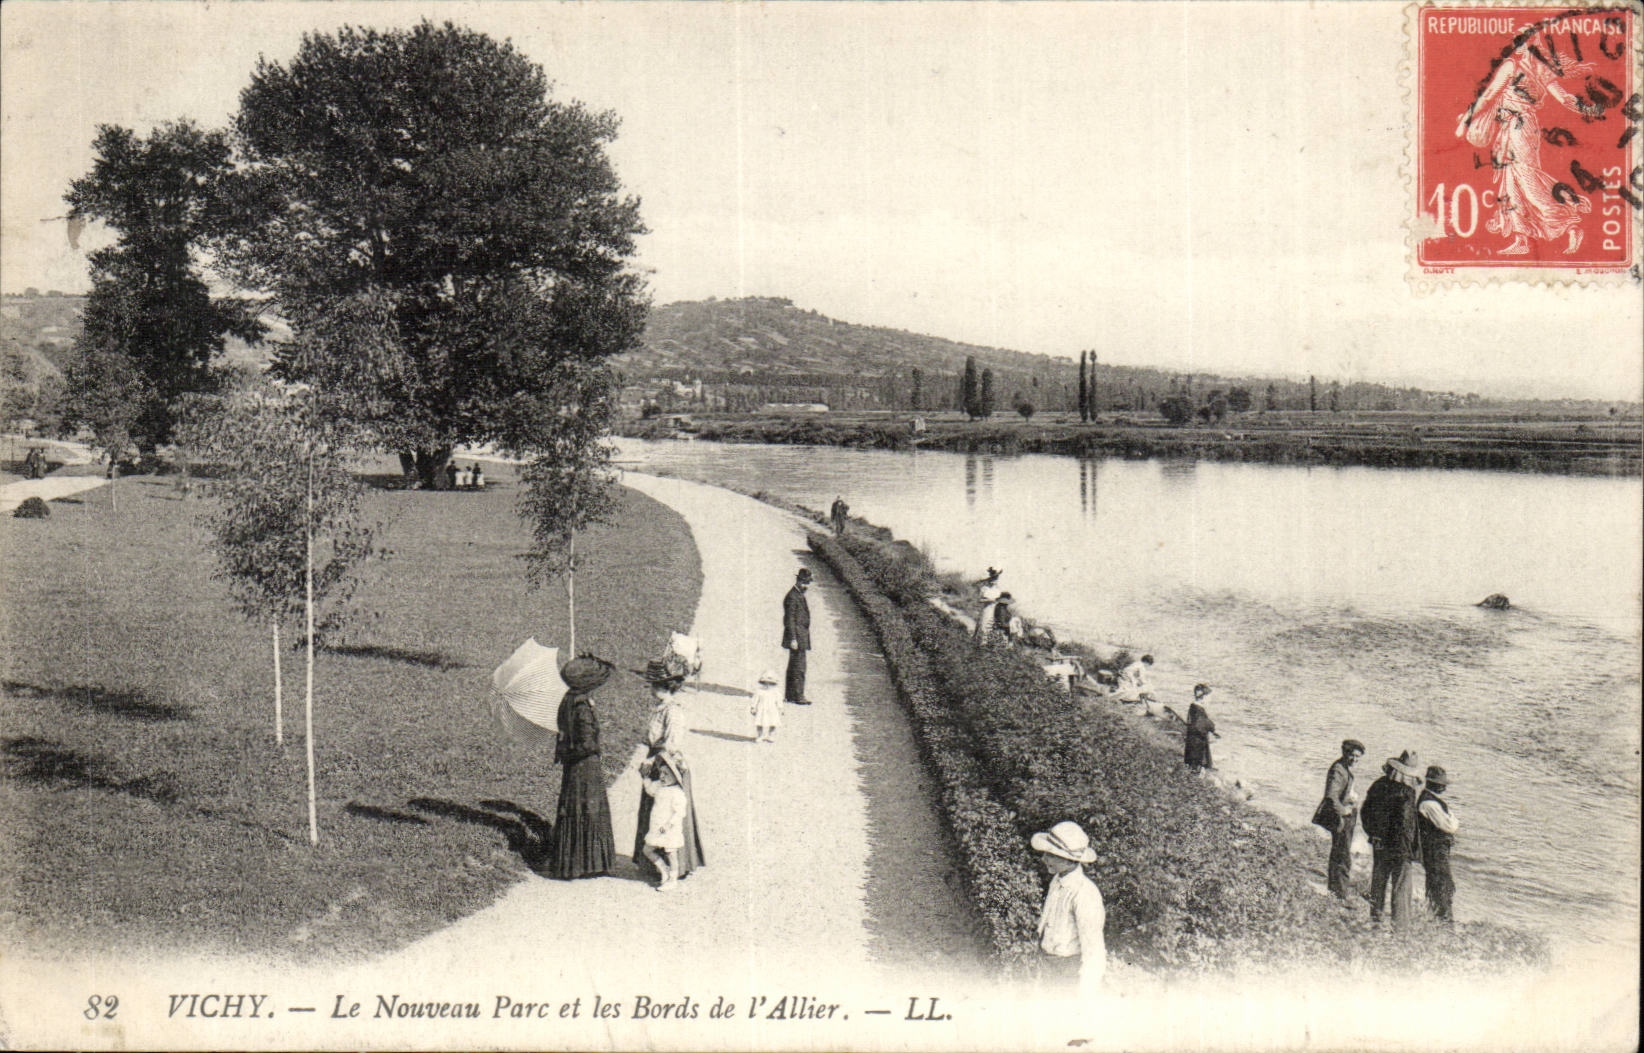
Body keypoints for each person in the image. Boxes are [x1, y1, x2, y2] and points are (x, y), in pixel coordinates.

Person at [1456, 48, 1595, 255]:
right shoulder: (1542, 71)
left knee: (1525, 179)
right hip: (1525, 127)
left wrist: (1466, 119)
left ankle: (1568, 222)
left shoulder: (1511, 66)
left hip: (1516, 128)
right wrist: (1589, 109)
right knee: (1512, 181)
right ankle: (1522, 239)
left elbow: (1488, 96)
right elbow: (1565, 98)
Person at [546, 655, 618, 880]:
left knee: (574, 808)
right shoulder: (582, 707)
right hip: (586, 766)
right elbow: (586, 743)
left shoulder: (567, 700)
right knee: (588, 808)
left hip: (572, 766)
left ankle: (572, 861)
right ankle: (589, 862)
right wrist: (595, 744)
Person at [634, 657, 705, 881]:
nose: (651, 689)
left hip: (666, 765)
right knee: (653, 812)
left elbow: (671, 744)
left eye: (654, 685)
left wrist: (651, 760)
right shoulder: (661, 708)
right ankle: (653, 863)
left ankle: (675, 865)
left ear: (663, 686)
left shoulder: (673, 711)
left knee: (666, 812)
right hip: (656, 760)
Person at [1031, 820, 1106, 999]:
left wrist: (1086, 993)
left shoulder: (1084, 893)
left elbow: (1093, 950)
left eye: (1050, 855)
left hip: (1068, 972)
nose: (1044, 859)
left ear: (1069, 859)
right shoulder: (1057, 881)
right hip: (1047, 965)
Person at [1359, 749, 1424, 930]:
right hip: (1400, 847)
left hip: (1380, 844)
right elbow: (1405, 824)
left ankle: (1375, 921)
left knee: (1378, 883)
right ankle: (1400, 929)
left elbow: (1365, 812)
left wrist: (1374, 835)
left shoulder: (1378, 785)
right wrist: (1409, 849)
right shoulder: (1407, 792)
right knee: (1401, 888)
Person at [1320, 739, 1366, 900]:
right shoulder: (1338, 770)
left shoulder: (1343, 768)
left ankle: (1335, 890)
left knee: (1340, 852)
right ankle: (1339, 894)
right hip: (1341, 818)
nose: (1354, 759)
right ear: (1344, 752)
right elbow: (1331, 796)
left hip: (1345, 816)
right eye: (1352, 755)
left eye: (1357, 757)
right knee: (1342, 855)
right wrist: (1343, 810)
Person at [639, 753, 689, 891]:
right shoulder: (659, 786)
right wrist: (645, 777)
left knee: (671, 853)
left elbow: (679, 813)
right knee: (647, 850)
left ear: (675, 776)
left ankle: (673, 879)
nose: (662, 777)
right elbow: (649, 790)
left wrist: (668, 826)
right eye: (661, 773)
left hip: (669, 828)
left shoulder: (677, 793)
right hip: (656, 826)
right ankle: (664, 870)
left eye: (666, 774)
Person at [1418, 765, 1459, 924]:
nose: (1444, 787)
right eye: (1441, 783)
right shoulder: (1429, 803)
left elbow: (1450, 823)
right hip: (1434, 850)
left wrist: (1451, 820)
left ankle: (1438, 917)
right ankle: (1443, 919)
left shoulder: (1431, 801)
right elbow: (1450, 826)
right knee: (1441, 883)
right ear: (1431, 783)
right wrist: (1452, 820)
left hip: (1436, 849)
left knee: (1441, 882)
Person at [782, 568, 813, 705]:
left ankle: (790, 695)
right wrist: (793, 638)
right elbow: (789, 620)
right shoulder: (793, 596)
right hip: (797, 638)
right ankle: (798, 696)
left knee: (794, 665)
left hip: (800, 637)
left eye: (808, 583)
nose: (806, 586)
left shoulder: (798, 594)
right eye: (805, 582)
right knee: (799, 667)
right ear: (798, 581)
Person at [1183, 684, 1218, 773]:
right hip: (1197, 741)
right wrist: (1212, 727)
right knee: (1196, 763)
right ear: (1203, 698)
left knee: (1194, 762)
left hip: (1194, 739)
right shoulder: (1198, 709)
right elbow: (1201, 724)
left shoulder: (1194, 708)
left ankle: (1197, 771)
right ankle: (1197, 774)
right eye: (1209, 698)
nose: (1210, 700)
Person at [750, 669, 782, 743]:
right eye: (765, 683)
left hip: (772, 709)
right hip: (762, 709)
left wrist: (780, 708)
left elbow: (779, 701)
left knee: (773, 722)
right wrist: (753, 707)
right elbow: (755, 700)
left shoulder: (776, 692)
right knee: (760, 722)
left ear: (774, 684)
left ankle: (771, 735)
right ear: (763, 683)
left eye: (771, 684)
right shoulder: (759, 691)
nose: (768, 685)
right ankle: (760, 735)